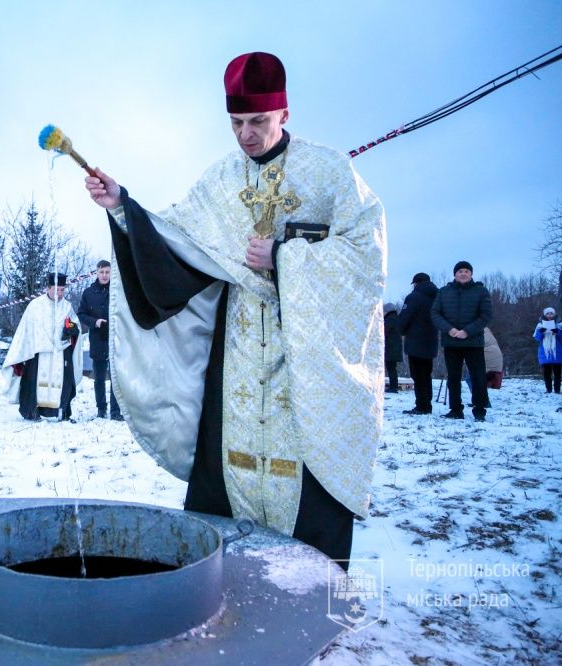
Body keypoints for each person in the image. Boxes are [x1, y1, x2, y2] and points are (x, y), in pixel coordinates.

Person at [84, 52, 385, 565]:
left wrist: (285, 256)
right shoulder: (222, 179)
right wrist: (122, 207)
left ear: (284, 114)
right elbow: (177, 239)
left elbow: (367, 253)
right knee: (224, 470)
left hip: (306, 360)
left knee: (308, 471)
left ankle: (313, 588)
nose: (246, 135)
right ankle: (225, 578)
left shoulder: (330, 172)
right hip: (239, 352)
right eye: (237, 123)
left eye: (258, 122)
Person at [3, 273, 84, 422]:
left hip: (60, 353)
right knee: (34, 384)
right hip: (38, 353)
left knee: (64, 383)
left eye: (62, 290)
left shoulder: (66, 306)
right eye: (56, 290)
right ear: (48, 288)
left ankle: (62, 412)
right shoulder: (35, 305)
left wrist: (71, 328)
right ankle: (33, 412)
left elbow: (74, 325)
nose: (59, 294)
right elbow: (25, 330)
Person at [430, 261, 492, 422]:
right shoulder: (444, 292)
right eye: (460, 271)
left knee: (478, 376)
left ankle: (479, 410)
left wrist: (467, 331)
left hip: (473, 341)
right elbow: (435, 313)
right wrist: (449, 330)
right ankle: (456, 409)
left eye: (466, 271)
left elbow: (486, 315)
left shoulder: (481, 291)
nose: (463, 273)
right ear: (455, 274)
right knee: (453, 377)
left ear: (471, 274)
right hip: (451, 342)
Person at [77, 260, 123, 420]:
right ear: (96, 272)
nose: (104, 275)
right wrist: (94, 322)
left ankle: (116, 411)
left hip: (116, 338)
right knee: (99, 378)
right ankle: (101, 409)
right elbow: (81, 314)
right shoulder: (88, 293)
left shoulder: (118, 291)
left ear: (111, 273)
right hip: (97, 338)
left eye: (107, 272)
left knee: (116, 378)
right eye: (102, 272)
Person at [397, 273, 439, 415]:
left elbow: (404, 317)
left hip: (415, 341)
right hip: (431, 340)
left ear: (416, 283)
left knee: (418, 374)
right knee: (427, 373)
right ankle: (427, 402)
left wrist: (400, 330)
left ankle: (422, 405)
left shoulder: (413, 297)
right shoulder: (437, 296)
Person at [534, 307, 561, 393]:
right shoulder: (540, 325)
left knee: (557, 373)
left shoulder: (559, 325)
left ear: (554, 314)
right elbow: (537, 338)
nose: (549, 315)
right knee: (546, 373)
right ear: (544, 315)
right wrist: (540, 332)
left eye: (551, 313)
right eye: (547, 313)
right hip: (545, 352)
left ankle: (557, 390)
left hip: (557, 352)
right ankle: (548, 389)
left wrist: (558, 332)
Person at [383, 303, 402, 393]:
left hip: (390, 348)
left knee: (391, 368)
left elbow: (383, 332)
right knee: (392, 368)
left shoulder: (389, 320)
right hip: (395, 348)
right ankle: (393, 386)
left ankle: (393, 387)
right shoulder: (396, 318)